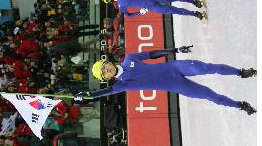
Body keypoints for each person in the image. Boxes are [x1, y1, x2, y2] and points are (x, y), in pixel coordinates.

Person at [74, 46, 257, 115]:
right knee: (211, 96)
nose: (107, 70)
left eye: (105, 66)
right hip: (177, 85)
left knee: (207, 68)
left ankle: (241, 72)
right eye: (104, 73)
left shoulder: (129, 59)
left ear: (108, 62)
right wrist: (87, 95)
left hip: (174, 67)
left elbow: (152, 54)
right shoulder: (122, 85)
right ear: (106, 78)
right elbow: (103, 92)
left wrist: (174, 50)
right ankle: (240, 105)